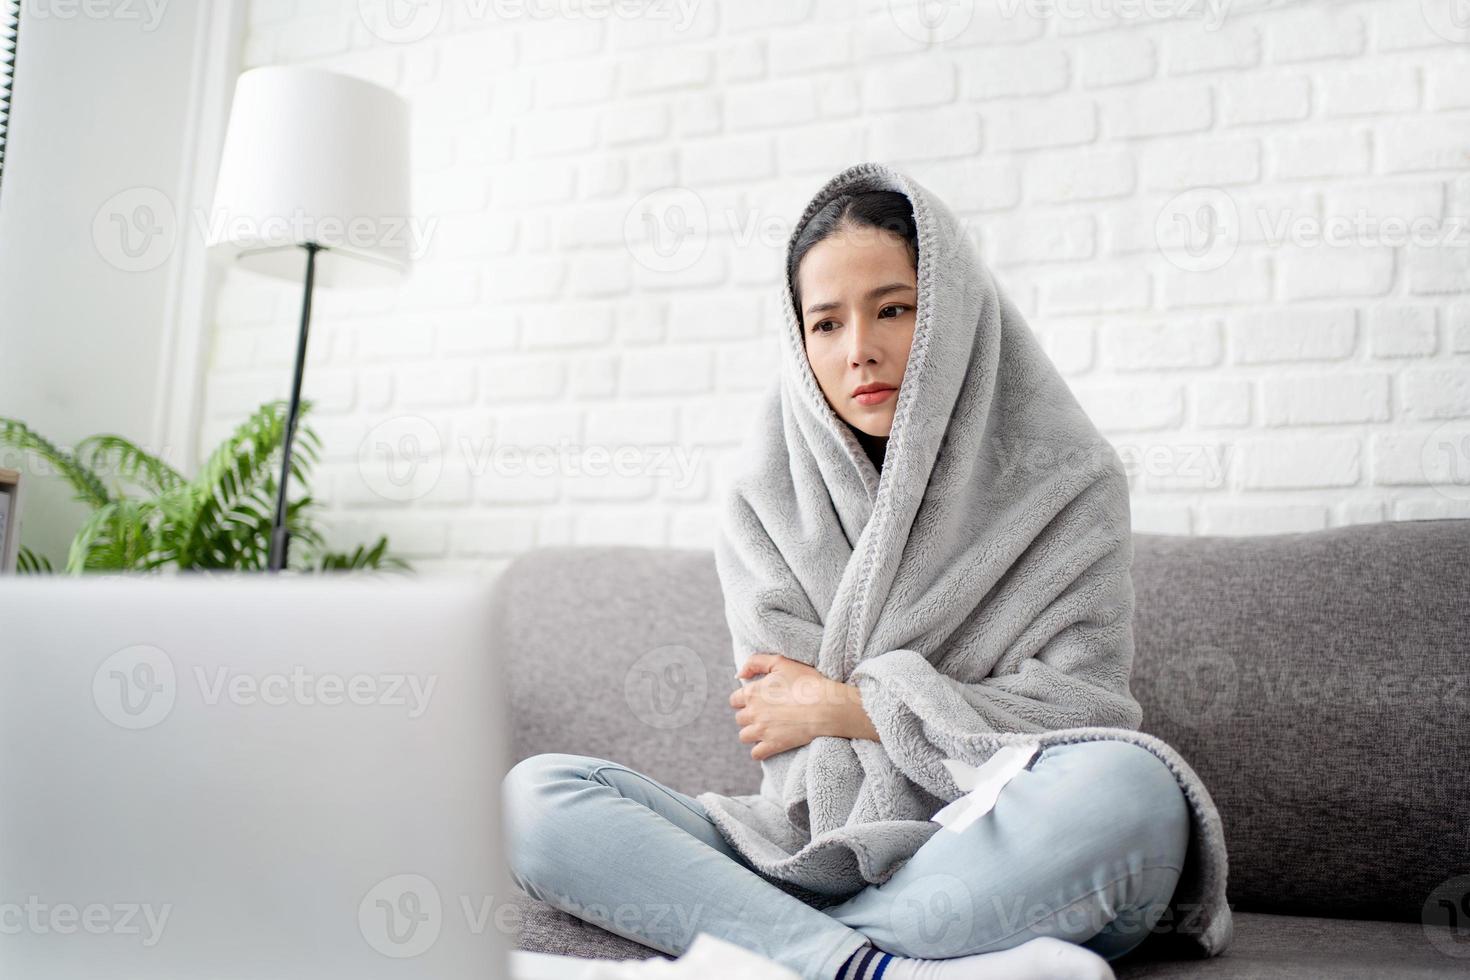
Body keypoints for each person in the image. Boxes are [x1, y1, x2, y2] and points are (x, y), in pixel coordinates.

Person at [500, 182, 1192, 980]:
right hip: (803, 848)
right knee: (537, 799)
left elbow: (1080, 717)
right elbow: (778, 728)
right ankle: (874, 967)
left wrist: (846, 706)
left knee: (1133, 790)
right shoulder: (765, 501)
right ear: (800, 343)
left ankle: (783, 946)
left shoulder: (1067, 482)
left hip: (985, 847)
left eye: (893, 310)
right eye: (826, 322)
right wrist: (885, 711)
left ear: (949, 315)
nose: (858, 347)